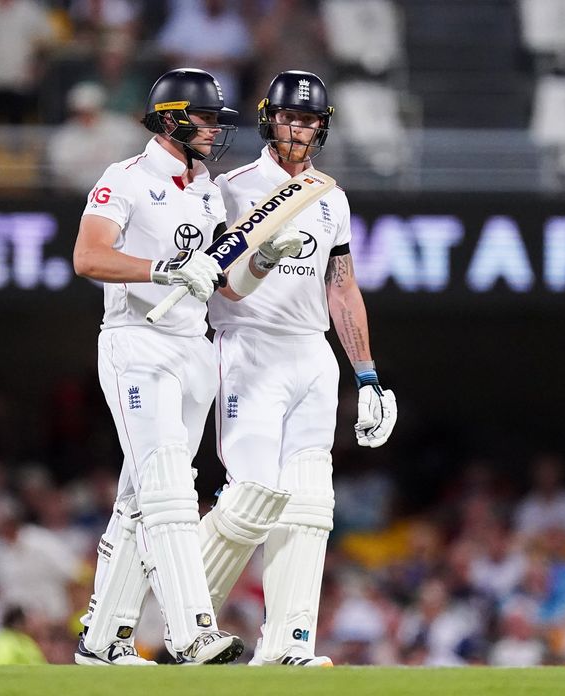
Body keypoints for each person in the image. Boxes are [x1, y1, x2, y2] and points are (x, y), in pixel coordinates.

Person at [199, 70, 398, 667]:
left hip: (312, 355)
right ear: (269, 119)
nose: (300, 129)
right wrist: (257, 259)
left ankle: (287, 646)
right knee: (254, 493)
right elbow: (218, 289)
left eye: (311, 120)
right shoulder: (231, 188)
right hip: (249, 347)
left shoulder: (329, 196)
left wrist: (366, 373)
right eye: (292, 118)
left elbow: (342, 288)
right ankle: (185, 618)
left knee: (311, 506)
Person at [71, 67, 244, 666]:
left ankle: (102, 639)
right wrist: (163, 270)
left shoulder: (208, 189)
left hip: (192, 346)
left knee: (140, 499)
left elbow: (230, 287)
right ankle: (191, 631)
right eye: (205, 118)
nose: (214, 129)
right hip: (137, 343)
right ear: (170, 118)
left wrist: (262, 259)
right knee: (170, 487)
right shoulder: (124, 179)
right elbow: (88, 256)